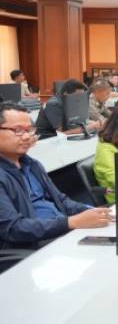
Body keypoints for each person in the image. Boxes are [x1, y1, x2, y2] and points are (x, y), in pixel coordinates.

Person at [0, 102, 111, 250]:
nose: (26, 136)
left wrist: (90, 211)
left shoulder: (32, 164)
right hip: (30, 247)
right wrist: (71, 222)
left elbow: (61, 200)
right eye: (18, 130)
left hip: (58, 231)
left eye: (29, 130)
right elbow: (13, 229)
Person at [35, 79, 102, 139]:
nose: (79, 99)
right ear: (66, 93)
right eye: (77, 95)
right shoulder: (53, 104)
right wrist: (91, 127)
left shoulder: (71, 102)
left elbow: (77, 121)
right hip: (46, 138)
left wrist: (94, 123)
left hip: (63, 138)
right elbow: (62, 133)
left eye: (81, 96)